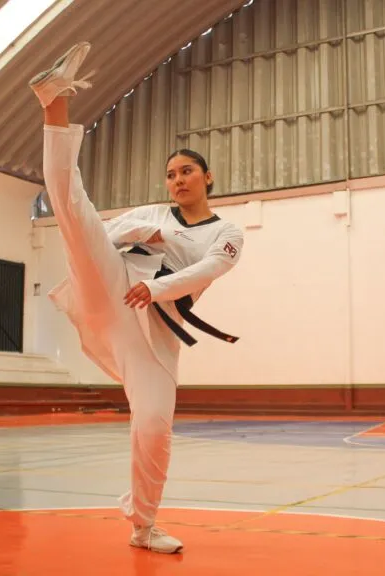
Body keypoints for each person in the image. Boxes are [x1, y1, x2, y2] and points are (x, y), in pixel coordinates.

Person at [29, 42, 245, 554]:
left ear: (207, 177)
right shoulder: (155, 212)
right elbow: (112, 232)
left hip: (156, 328)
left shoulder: (228, 231)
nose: (177, 181)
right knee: (71, 206)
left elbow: (210, 269)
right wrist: (141, 238)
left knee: (152, 428)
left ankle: (143, 526)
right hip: (114, 286)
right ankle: (54, 102)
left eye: (186, 172)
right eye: (171, 175)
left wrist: (158, 286)